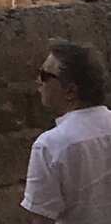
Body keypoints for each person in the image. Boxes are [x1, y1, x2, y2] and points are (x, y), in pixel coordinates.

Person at [22, 39, 111, 223]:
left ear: (70, 91)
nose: (39, 81)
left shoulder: (49, 146)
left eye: (45, 75)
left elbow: (41, 219)